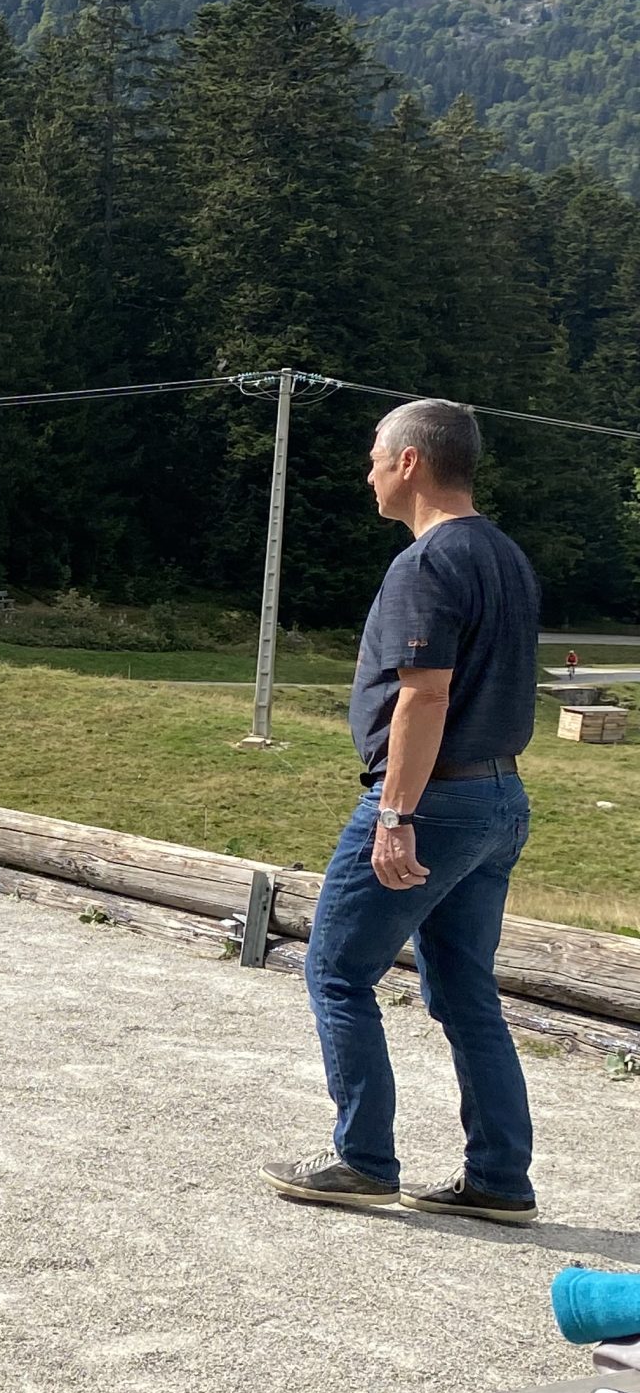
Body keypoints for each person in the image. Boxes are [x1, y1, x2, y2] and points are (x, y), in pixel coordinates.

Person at [263, 400, 542, 1224]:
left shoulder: (426, 564)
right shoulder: (506, 555)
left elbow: (425, 695)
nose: (370, 470)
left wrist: (395, 813)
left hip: (434, 800)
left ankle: (363, 1159)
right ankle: (499, 1178)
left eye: (377, 455)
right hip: (500, 796)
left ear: (412, 462)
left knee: (337, 971)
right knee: (464, 990)